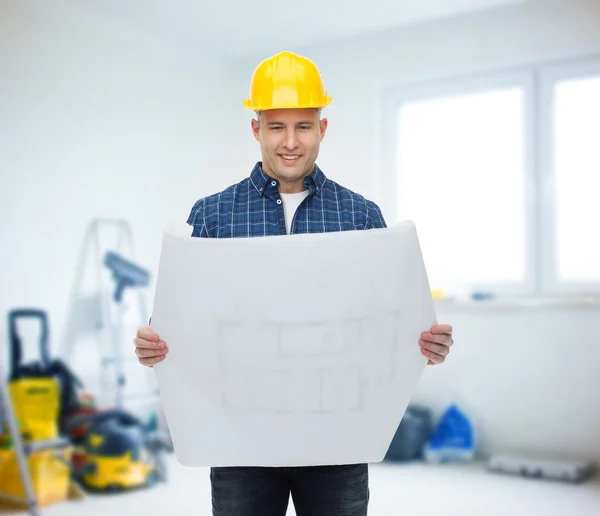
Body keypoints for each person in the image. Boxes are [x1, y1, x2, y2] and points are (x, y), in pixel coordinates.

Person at [133, 50, 454, 516]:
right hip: (237, 438)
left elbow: (385, 319)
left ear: (322, 129)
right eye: (276, 126)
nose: (290, 142)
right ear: (256, 128)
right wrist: (154, 341)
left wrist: (424, 341)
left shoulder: (360, 216)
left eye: (303, 126)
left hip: (337, 438)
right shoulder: (212, 215)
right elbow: (184, 317)